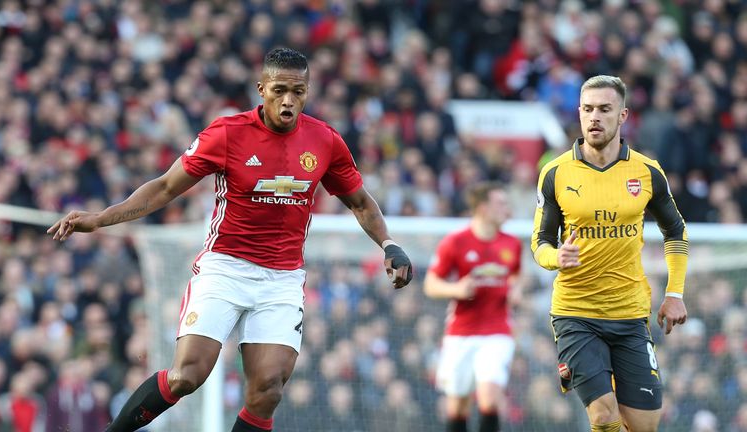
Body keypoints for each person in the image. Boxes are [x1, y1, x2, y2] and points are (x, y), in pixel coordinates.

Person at [47, 47, 413, 432]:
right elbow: (166, 187)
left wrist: (388, 243)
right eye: (279, 90)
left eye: (298, 92)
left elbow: (360, 202)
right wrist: (102, 219)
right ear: (261, 89)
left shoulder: (325, 141)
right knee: (187, 375)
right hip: (225, 267)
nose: (288, 100)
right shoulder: (226, 134)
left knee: (268, 389)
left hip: (282, 279)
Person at [531, 75, 688, 432]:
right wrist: (557, 258)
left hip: (630, 314)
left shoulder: (647, 172)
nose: (594, 117)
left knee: (643, 426)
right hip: (575, 314)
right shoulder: (555, 173)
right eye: (587, 109)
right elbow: (540, 242)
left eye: (604, 109)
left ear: (623, 115)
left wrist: (675, 293)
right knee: (603, 415)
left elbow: (675, 230)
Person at [424, 181, 522, 432]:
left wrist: (516, 289)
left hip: (497, 331)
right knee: (458, 406)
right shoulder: (455, 242)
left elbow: (515, 275)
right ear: (482, 208)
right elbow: (431, 284)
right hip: (461, 333)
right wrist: (456, 290)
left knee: (489, 397)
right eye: (500, 203)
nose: (506, 209)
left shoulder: (512, 244)